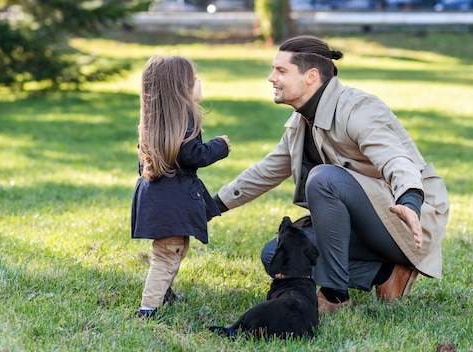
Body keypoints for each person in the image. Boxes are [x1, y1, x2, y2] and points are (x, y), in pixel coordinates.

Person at [212, 35, 449, 314]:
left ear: (311, 76)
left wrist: (409, 202)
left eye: (281, 70)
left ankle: (336, 295)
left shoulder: (358, 108)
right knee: (277, 256)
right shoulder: (302, 121)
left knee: (325, 178)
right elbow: (265, 172)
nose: (271, 77)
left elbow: (396, 159)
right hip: (369, 228)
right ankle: (384, 274)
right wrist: (209, 207)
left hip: (407, 222)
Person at [131, 55, 231, 318]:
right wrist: (220, 146)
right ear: (181, 88)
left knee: (175, 249)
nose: (199, 82)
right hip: (172, 203)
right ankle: (148, 308)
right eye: (193, 79)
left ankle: (165, 292)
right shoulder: (185, 118)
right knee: (166, 255)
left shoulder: (155, 120)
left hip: (158, 201)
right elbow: (193, 155)